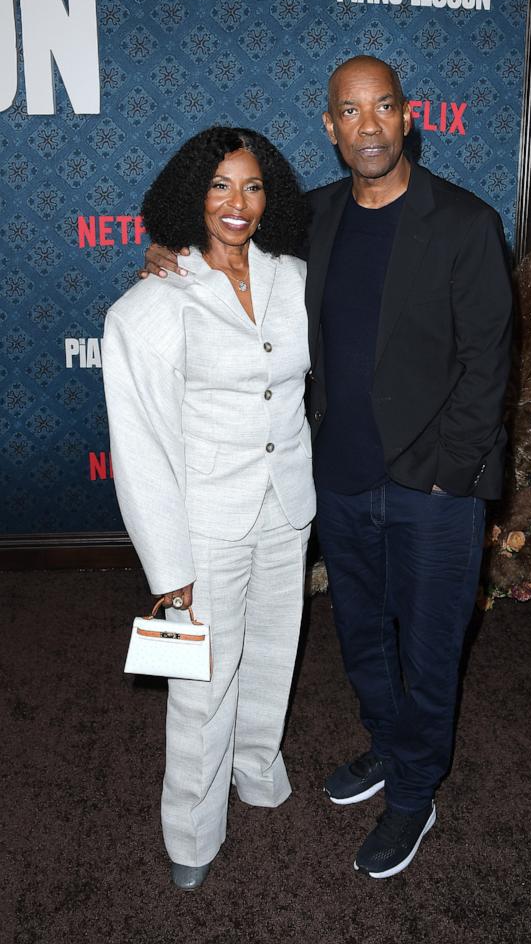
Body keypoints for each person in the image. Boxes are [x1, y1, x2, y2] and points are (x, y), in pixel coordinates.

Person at [141, 55, 513, 879]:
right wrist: (166, 247)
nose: (368, 125)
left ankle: (416, 790)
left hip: (433, 492)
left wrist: (449, 476)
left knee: (428, 646)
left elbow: (489, 365)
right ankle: (386, 746)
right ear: (329, 126)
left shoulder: (464, 221)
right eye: (349, 111)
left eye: (382, 107)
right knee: (361, 639)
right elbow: (226, 248)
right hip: (335, 484)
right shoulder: (309, 218)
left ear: (408, 116)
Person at [103, 126, 315, 891]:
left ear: (272, 196)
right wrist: (169, 567)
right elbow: (139, 446)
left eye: (252, 186)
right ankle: (191, 827)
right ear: (192, 194)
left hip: (287, 504)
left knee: (272, 651)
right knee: (201, 682)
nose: (237, 202)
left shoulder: (294, 276)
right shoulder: (153, 303)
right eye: (220, 185)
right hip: (205, 520)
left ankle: (257, 766)